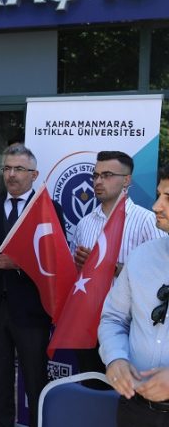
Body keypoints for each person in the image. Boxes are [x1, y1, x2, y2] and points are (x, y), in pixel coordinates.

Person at [0, 144, 61, 427]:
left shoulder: (48, 211)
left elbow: (55, 262)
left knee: (36, 383)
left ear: (34, 175)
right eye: (7, 168)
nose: (11, 175)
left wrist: (20, 264)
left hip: (32, 313)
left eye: (19, 170)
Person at [71, 151, 165, 376]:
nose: (98, 181)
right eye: (95, 176)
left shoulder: (146, 221)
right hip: (88, 323)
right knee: (91, 392)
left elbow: (159, 277)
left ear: (127, 180)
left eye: (107, 175)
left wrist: (108, 267)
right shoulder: (85, 223)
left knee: (123, 397)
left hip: (130, 328)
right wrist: (80, 266)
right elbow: (79, 276)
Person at [99, 163, 169, 427]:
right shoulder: (141, 258)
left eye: (168, 197)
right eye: (158, 194)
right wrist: (115, 358)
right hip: (135, 412)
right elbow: (113, 318)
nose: (157, 206)